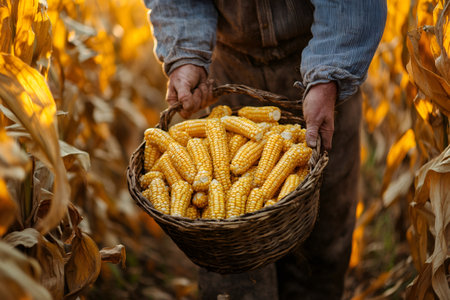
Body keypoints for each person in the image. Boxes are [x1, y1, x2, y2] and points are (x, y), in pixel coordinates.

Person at [143, 1, 387, 299]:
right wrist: (186, 55)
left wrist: (330, 73)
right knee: (232, 270)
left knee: (321, 250)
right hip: (229, 69)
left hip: (319, 60)